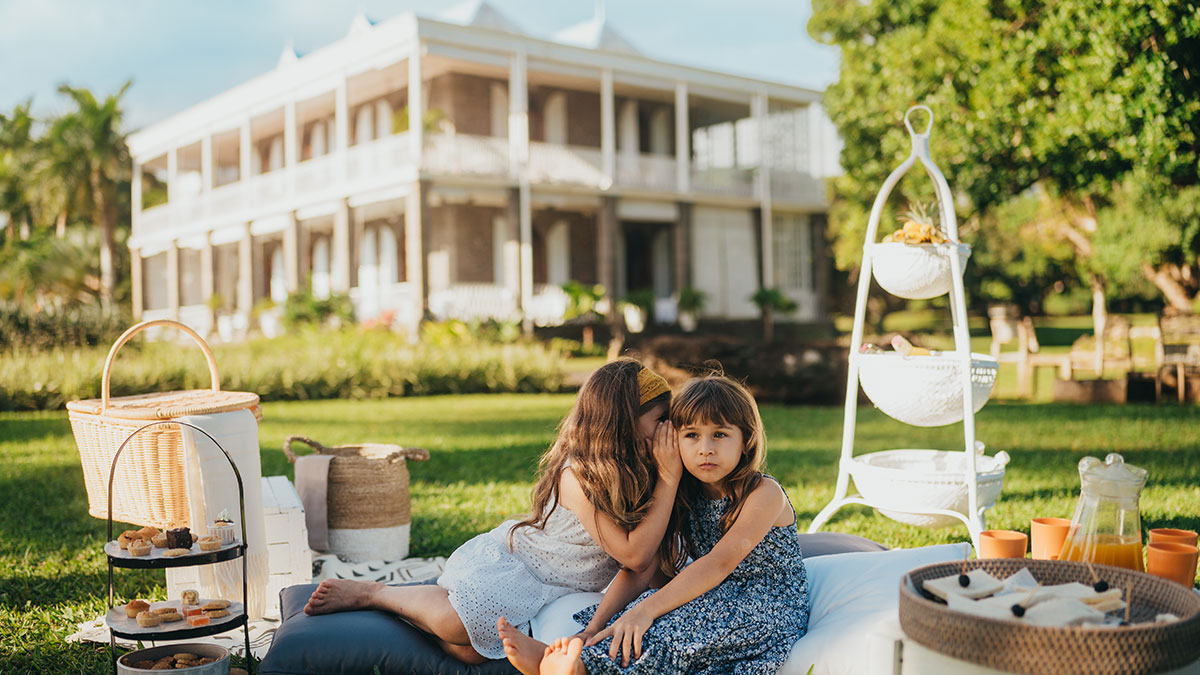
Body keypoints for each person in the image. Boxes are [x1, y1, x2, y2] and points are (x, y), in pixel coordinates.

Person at [303, 359, 681, 664]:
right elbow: (634, 553)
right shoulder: (578, 476)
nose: (668, 430)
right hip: (522, 568)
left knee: (469, 654)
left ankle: (425, 611)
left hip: (560, 591)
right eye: (659, 419)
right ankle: (376, 594)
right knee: (455, 627)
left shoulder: (644, 469)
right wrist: (668, 479)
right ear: (622, 421)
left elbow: (643, 565)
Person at [499, 374, 810, 674]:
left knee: (678, 626)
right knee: (641, 611)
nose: (705, 448)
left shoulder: (764, 493)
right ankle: (583, 649)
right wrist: (594, 629)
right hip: (713, 595)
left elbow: (718, 564)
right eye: (691, 435)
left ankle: (583, 668)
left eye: (720, 434)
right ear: (674, 440)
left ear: (746, 441)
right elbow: (642, 568)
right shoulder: (685, 494)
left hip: (766, 607)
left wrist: (645, 612)